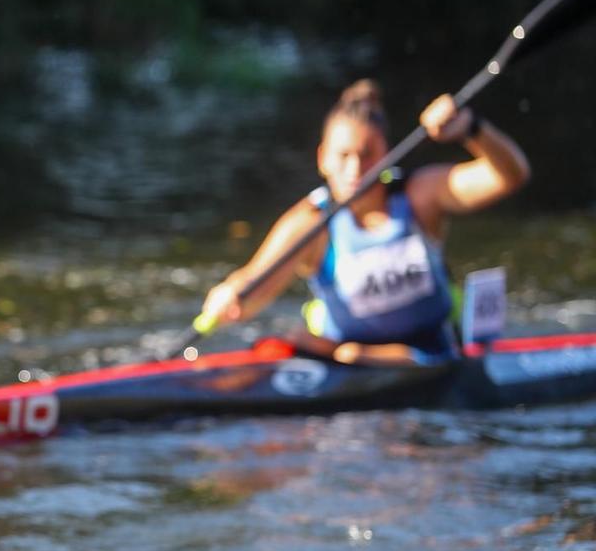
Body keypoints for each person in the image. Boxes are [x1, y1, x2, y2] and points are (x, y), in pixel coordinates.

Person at [198, 79, 531, 364]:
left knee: (352, 354)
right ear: (322, 159)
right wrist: (231, 293)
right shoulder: (310, 222)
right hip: (343, 360)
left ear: (387, 154)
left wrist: (472, 128)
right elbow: (255, 283)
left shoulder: (419, 195)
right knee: (307, 343)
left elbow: (510, 177)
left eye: (367, 154)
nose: (355, 169)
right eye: (343, 156)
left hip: (431, 355)